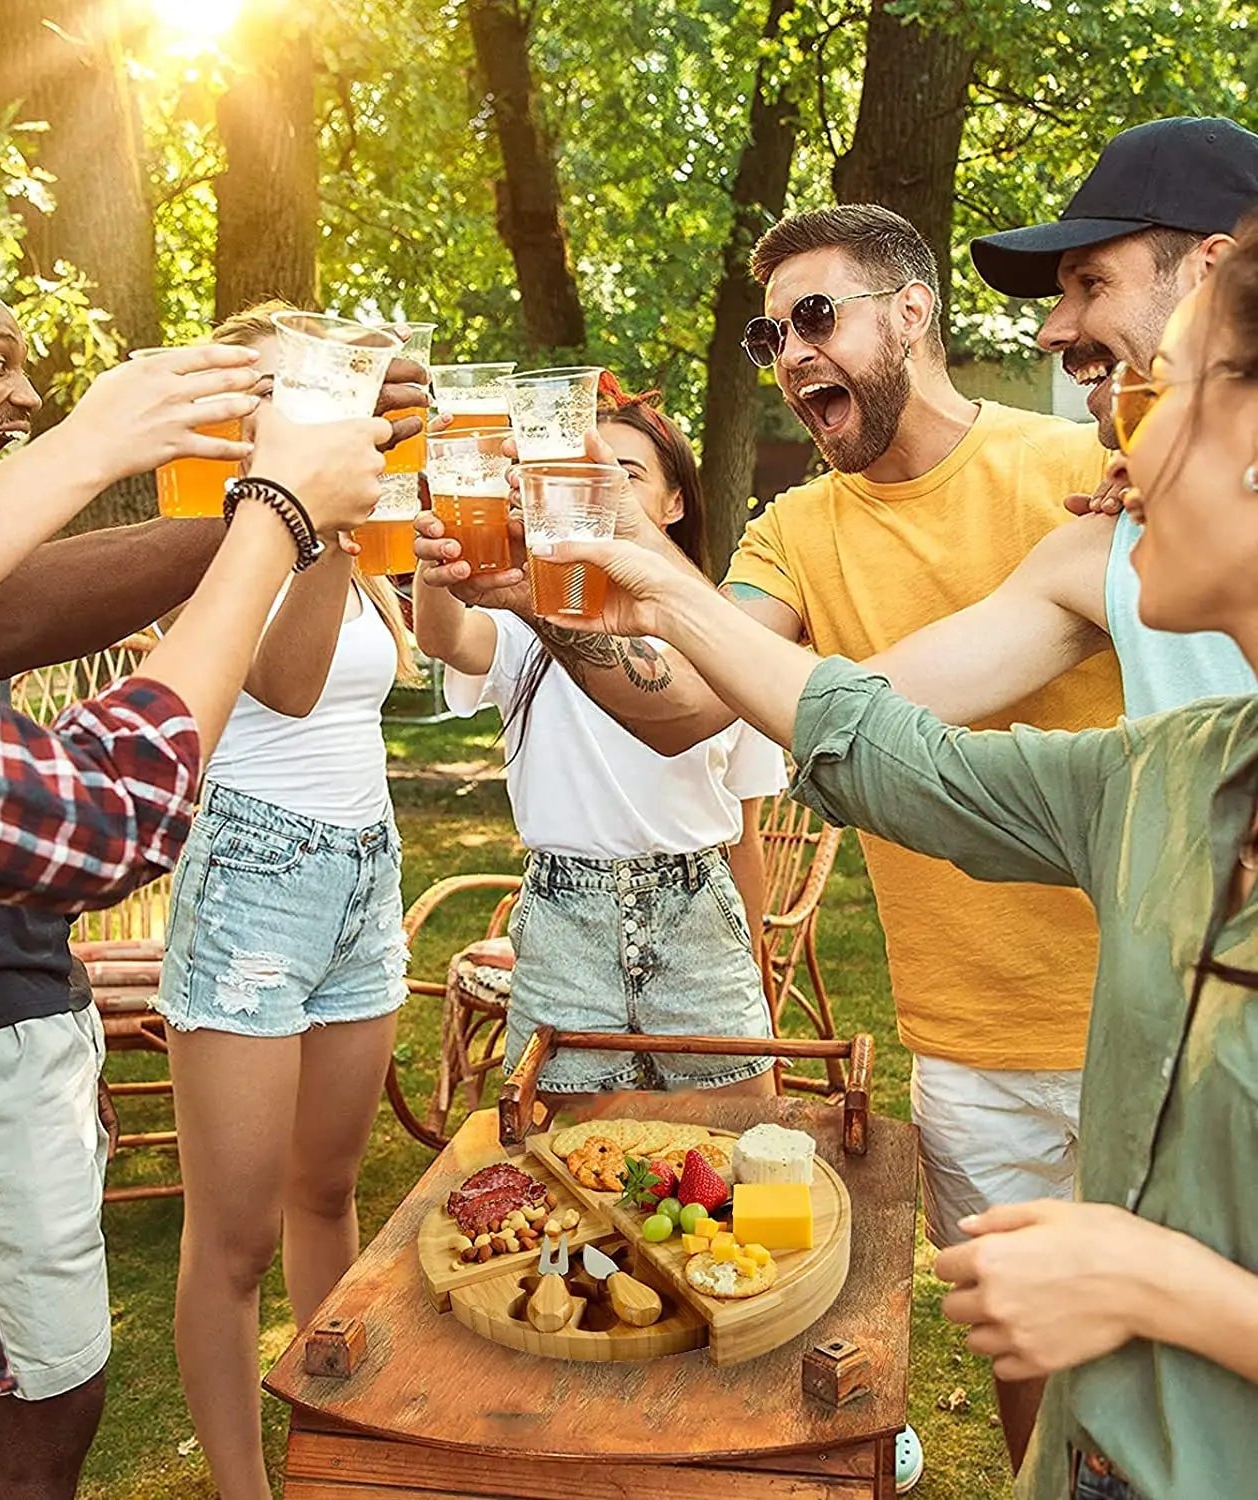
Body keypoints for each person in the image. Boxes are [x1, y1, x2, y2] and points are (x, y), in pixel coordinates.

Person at [532, 212, 1258, 1500]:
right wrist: (638, 591)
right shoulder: (1170, 776)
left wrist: (1168, 1288)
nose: (1117, 449)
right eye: (773, 333)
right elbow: (887, 749)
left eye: (1150, 400)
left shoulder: (1078, 531)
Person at [418, 206, 1120, 1464]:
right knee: (1035, 1360)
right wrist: (547, 603)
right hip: (963, 1036)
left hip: (1137, 1007)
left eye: (816, 315)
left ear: (912, 311)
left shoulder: (1075, 474)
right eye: (768, 331)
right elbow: (682, 704)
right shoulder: (793, 531)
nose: (790, 353)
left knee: (1183, 1363)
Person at [0, 267, 422, 1500]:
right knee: (48, 1393)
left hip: (1, 998)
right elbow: (13, 656)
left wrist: (297, 499)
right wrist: (268, 503)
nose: (28, 388)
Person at [150, 302, 424, 1500]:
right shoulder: (203, 531)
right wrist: (329, 518)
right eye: (285, 389)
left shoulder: (344, 531)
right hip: (255, 872)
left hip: (364, 867)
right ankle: (242, 1489)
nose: (311, 406)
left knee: (327, 1192)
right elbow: (291, 685)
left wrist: (404, 477)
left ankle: (339, 1442)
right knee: (234, 1238)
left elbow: (421, 661)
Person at [414, 378, 786, 1101]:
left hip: (698, 912)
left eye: (624, 474)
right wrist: (439, 565)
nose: (594, 487)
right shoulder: (531, 626)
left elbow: (745, 833)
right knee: (568, 1167)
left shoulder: (728, 644)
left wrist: (756, 965)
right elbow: (449, 638)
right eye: (576, 472)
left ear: (675, 504)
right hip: (564, 919)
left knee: (736, 1156)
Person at [870, 116, 1258, 723]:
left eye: (1092, 283)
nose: (1052, 330)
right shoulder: (1120, 541)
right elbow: (857, 711)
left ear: (1211, 278)